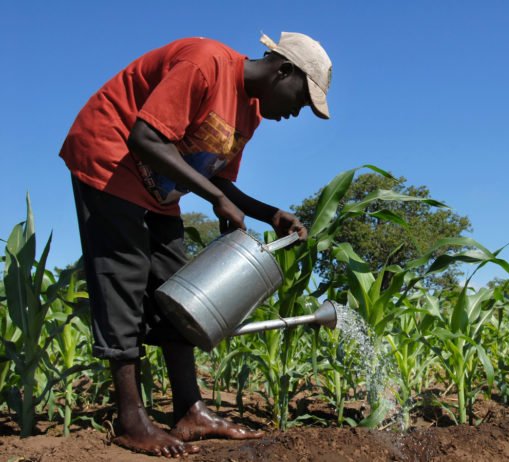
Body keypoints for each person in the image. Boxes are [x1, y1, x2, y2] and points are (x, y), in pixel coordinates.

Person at [59, 32, 332, 457]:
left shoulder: (250, 115)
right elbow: (144, 139)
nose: (298, 111)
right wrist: (215, 199)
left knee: (179, 287)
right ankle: (131, 420)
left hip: (159, 189)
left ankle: (191, 412)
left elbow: (218, 179)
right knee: (124, 281)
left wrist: (269, 213)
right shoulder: (205, 63)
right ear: (283, 70)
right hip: (111, 158)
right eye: (301, 99)